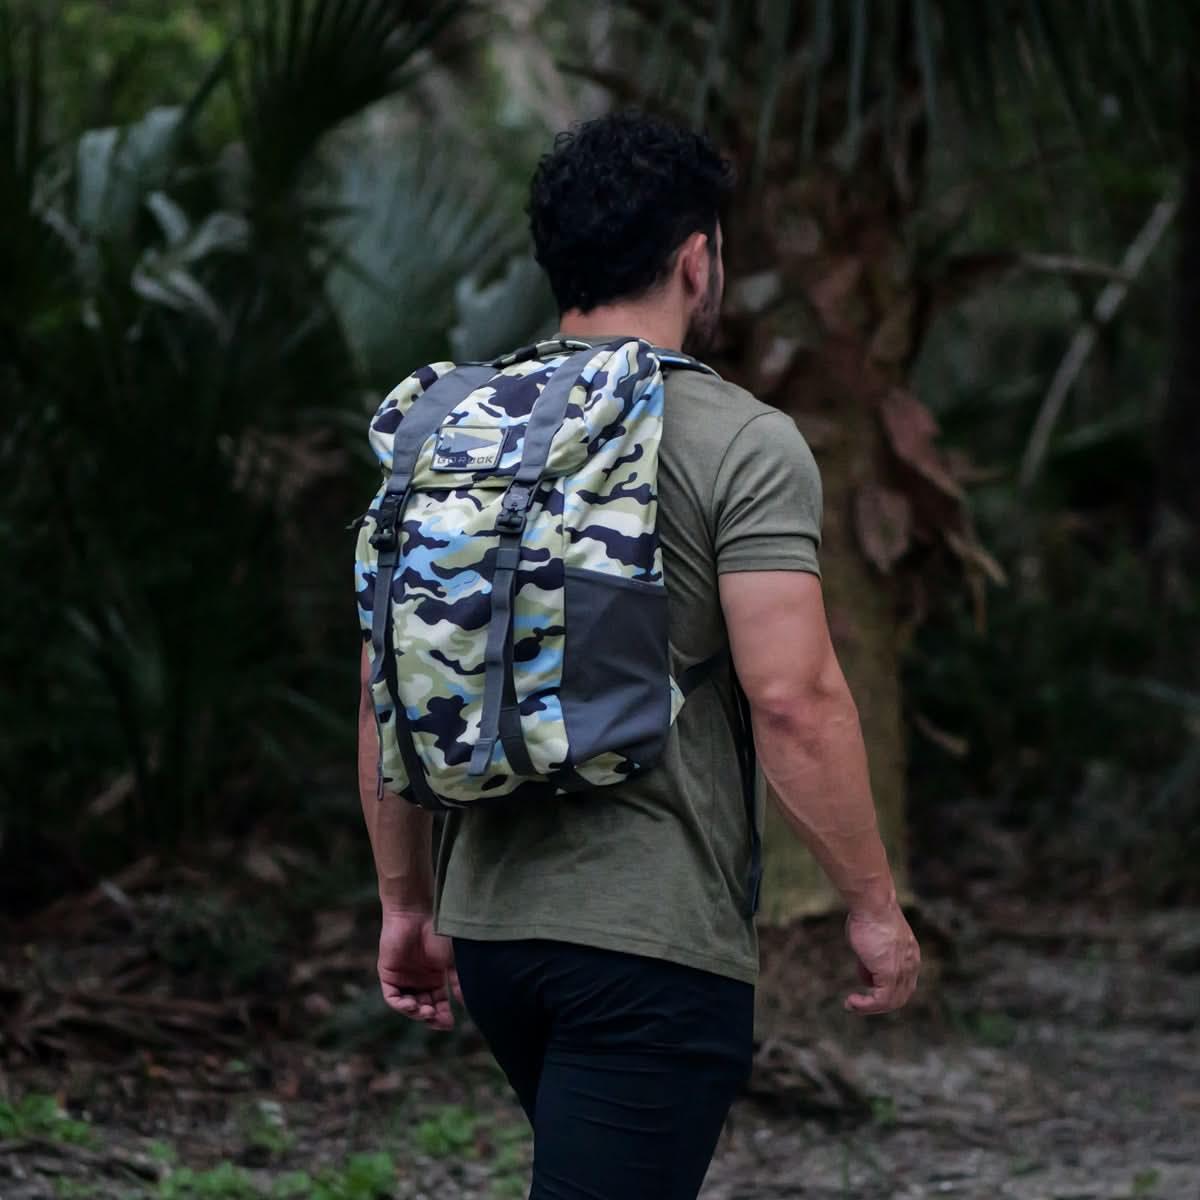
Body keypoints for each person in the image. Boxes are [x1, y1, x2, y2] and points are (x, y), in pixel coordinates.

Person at [356, 111, 921, 1199]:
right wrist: (871, 906)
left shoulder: (454, 429)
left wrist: (407, 903)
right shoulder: (742, 439)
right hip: (650, 940)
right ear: (697, 259)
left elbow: (391, 685)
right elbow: (795, 699)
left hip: (494, 935)